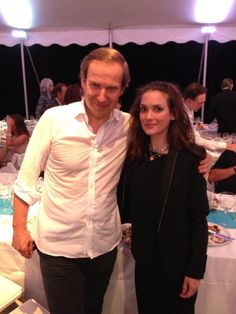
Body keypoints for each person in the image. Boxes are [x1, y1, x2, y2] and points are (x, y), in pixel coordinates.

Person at [12, 48, 210, 314]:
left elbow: (178, 136)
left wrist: (203, 157)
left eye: (111, 88)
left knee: (94, 309)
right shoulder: (54, 120)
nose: (102, 96)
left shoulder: (129, 125)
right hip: (59, 248)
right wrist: (19, 228)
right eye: (95, 85)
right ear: (82, 82)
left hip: (103, 247)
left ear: (122, 89)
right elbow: (25, 181)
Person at [117, 81, 209, 314]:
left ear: (174, 114)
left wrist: (195, 271)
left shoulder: (190, 159)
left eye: (158, 109)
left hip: (176, 267)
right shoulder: (135, 156)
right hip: (145, 264)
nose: (149, 116)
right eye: (144, 109)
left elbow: (198, 220)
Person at [183, 82, 236, 154]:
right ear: (188, 101)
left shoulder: (189, 108)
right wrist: (225, 146)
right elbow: (196, 140)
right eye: (199, 103)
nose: (202, 106)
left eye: (203, 102)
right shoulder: (182, 114)